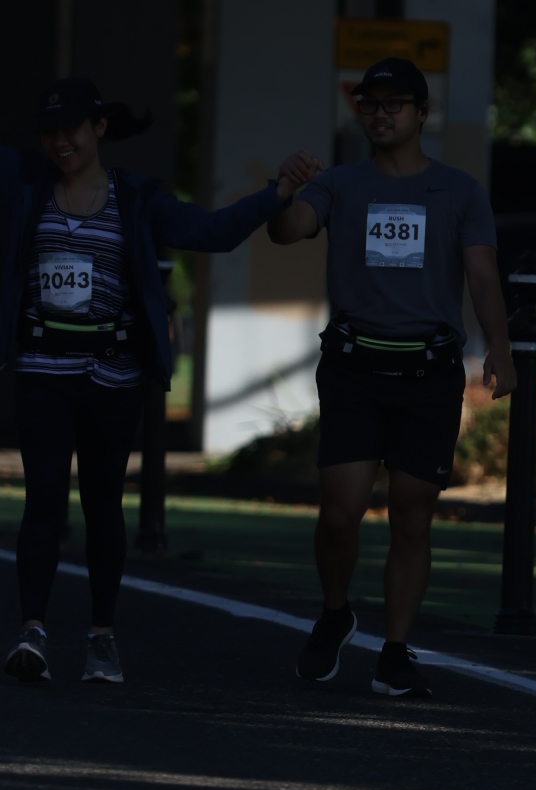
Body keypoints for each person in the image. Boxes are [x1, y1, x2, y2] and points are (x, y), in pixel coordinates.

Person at [0, 77, 320, 685]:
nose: (60, 142)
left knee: (103, 506)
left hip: (111, 375)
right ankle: (32, 632)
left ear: (99, 127)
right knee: (43, 500)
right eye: (49, 132)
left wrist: (277, 193)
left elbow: (212, 233)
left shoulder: (137, 198)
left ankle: (101, 639)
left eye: (72, 129)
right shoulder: (24, 183)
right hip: (43, 369)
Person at [267, 55, 513, 697]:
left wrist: (501, 347)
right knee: (340, 512)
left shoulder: (459, 190)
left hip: (429, 372)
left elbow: (482, 273)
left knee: (411, 515)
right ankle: (335, 613)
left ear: (421, 113)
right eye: (370, 104)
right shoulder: (339, 183)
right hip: (354, 367)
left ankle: (396, 653)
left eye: (394, 104)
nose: (381, 114)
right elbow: (288, 231)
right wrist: (283, 192)